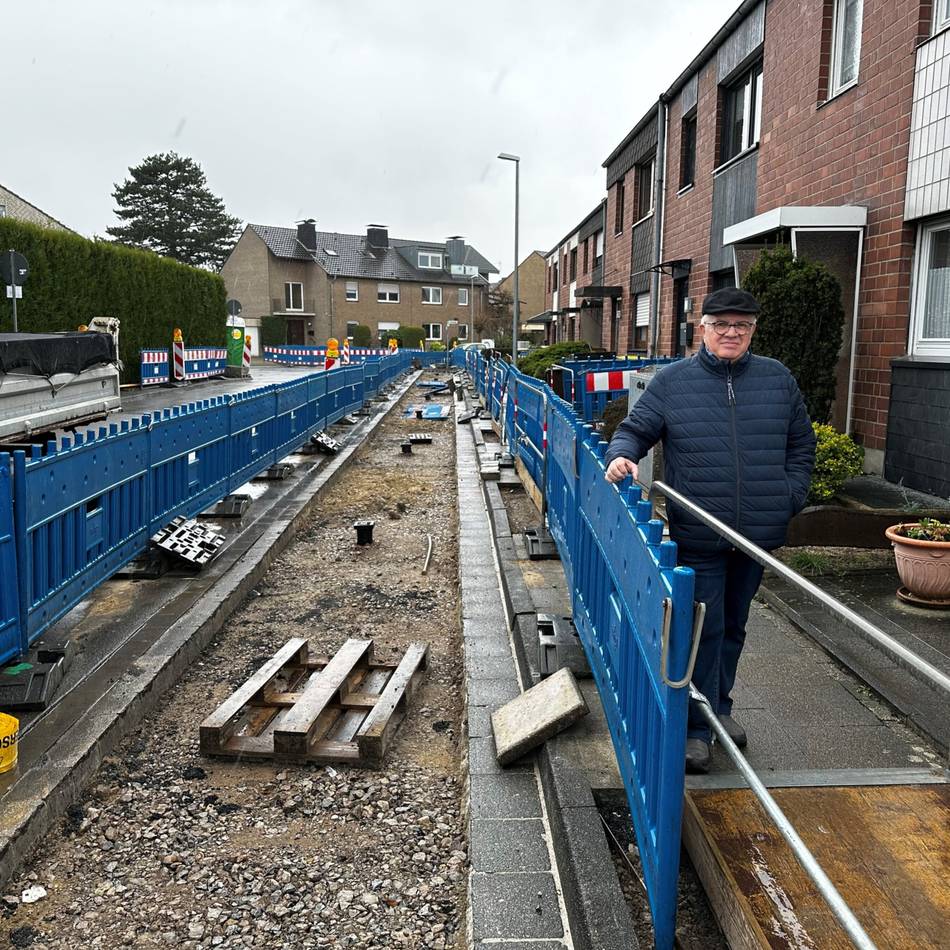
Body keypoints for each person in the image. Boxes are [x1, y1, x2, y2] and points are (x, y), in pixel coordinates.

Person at [604, 288, 816, 773]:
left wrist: (789, 496)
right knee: (704, 626)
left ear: (753, 330)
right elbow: (635, 430)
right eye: (721, 324)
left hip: (757, 533)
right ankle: (696, 728)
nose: (731, 333)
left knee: (735, 625)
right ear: (702, 328)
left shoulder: (777, 379)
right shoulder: (673, 382)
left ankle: (720, 707)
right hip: (700, 531)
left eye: (741, 325)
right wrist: (622, 455)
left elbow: (801, 445)